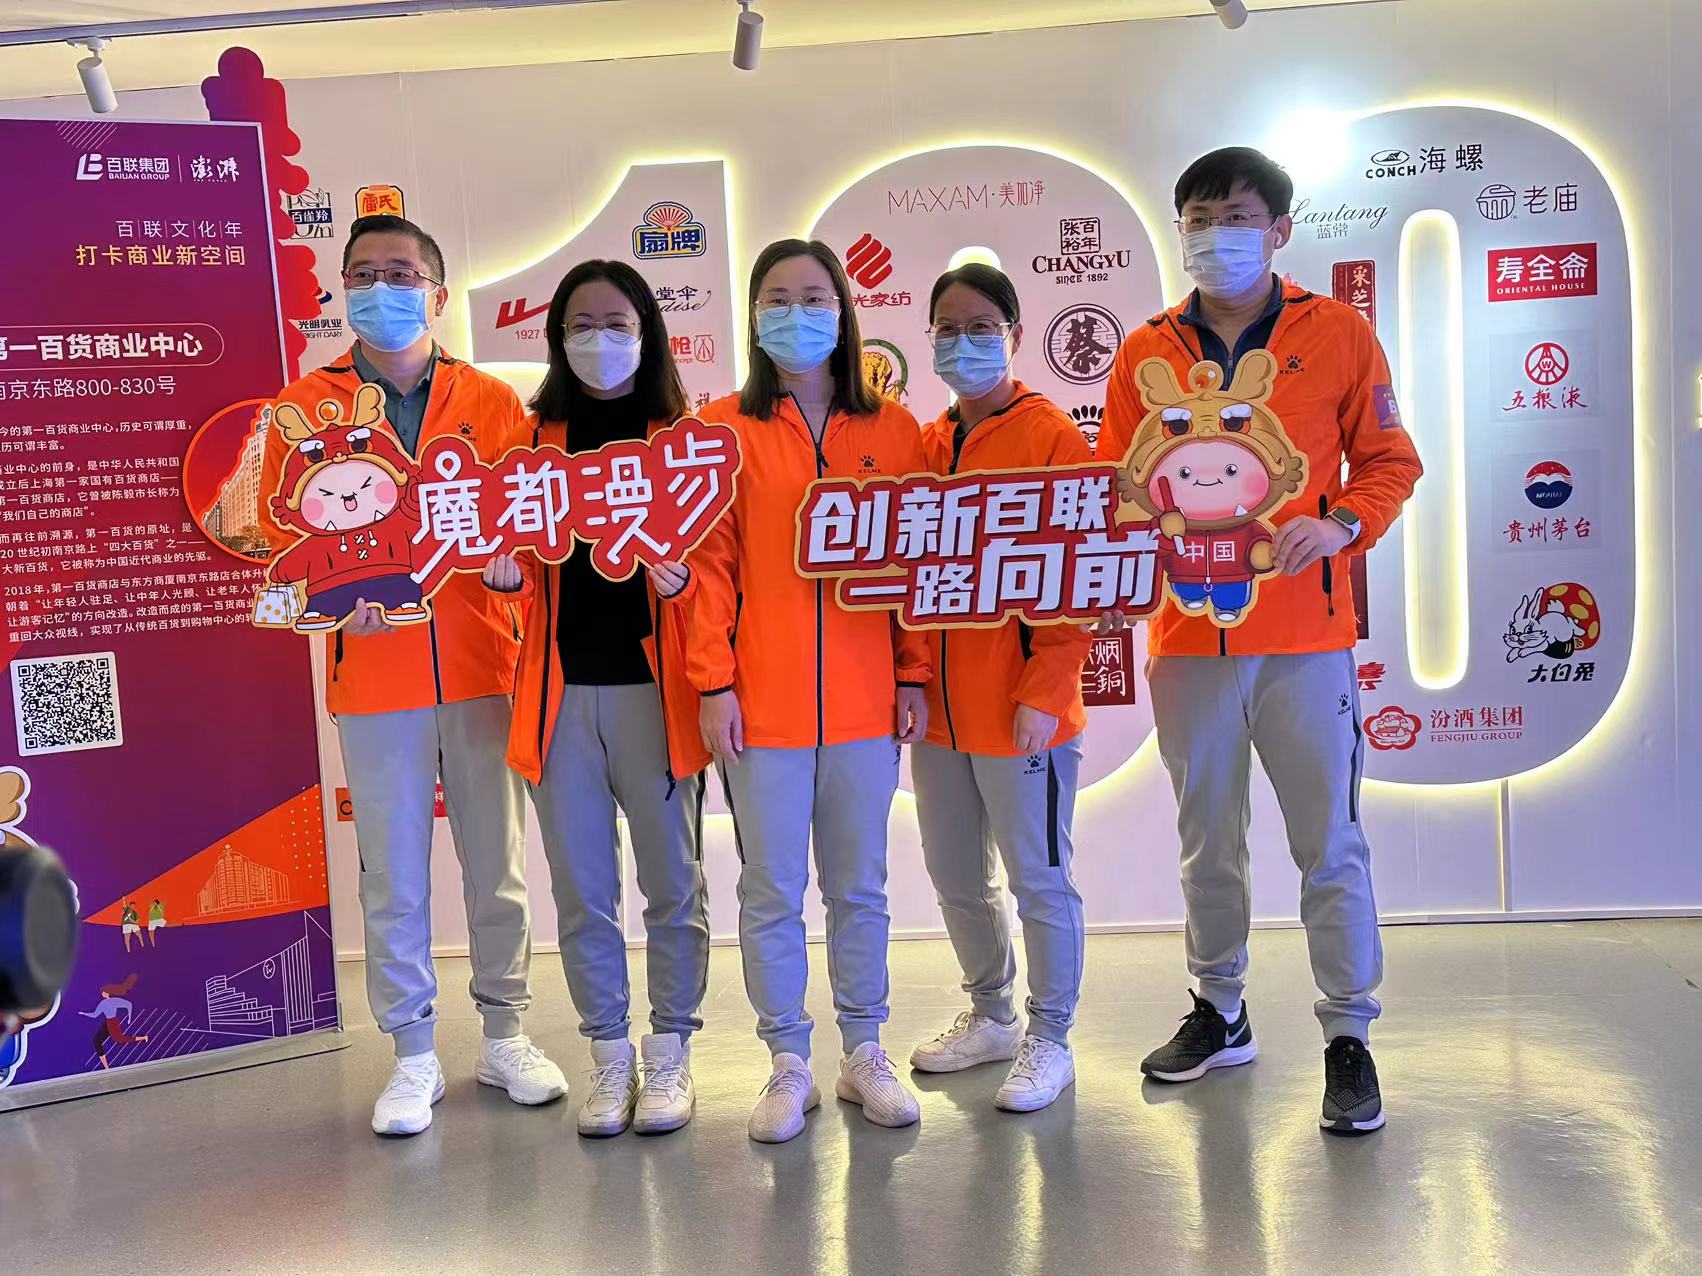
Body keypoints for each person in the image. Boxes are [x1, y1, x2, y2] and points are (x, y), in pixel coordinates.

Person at [1097, 147, 1422, 1134]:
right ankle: (1220, 1008)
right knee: (1207, 842)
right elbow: (1118, 487)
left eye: (1235, 217)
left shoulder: (1338, 333)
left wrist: (1342, 524)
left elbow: (1389, 460)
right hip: (1186, 639)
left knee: (1330, 843)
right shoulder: (1144, 351)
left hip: (1305, 640)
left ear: (1279, 230)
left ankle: (1348, 1032)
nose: (1215, 236)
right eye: (1198, 219)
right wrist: (1112, 570)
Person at [260, 213, 566, 1137]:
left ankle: (506, 1034)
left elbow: (532, 529)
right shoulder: (304, 406)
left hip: (481, 667)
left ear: (436, 294)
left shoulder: (492, 401)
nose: (380, 289)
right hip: (374, 674)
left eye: (400, 273)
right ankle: (413, 1054)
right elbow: (280, 537)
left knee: (497, 868)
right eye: (363, 273)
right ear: (342, 289)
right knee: (392, 875)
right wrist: (325, 602)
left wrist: (512, 578)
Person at [686, 239, 932, 1144]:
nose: (798, 313)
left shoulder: (894, 429)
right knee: (771, 890)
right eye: (778, 298)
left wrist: (911, 671)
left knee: (860, 887)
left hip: (866, 704)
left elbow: (914, 563)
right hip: (764, 705)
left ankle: (865, 1050)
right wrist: (714, 683)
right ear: (754, 315)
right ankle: (788, 1060)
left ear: (844, 310)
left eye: (815, 296)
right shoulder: (721, 428)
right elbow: (708, 569)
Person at [484, 260, 709, 1139]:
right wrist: (504, 578)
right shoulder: (530, 442)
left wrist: (687, 581)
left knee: (673, 887)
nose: (598, 339)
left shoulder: (684, 439)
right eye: (580, 324)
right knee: (582, 892)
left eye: (616, 323)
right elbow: (505, 558)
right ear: (557, 337)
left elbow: (722, 570)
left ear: (647, 332)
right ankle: (609, 1057)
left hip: (657, 695)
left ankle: (671, 1053)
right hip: (560, 697)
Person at [904, 265, 1093, 1114]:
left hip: (1023, 711)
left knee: (1040, 878)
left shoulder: (1052, 437)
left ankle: (1051, 1037)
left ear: (1015, 334)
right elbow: (905, 578)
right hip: (939, 717)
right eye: (947, 329)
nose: (963, 343)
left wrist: (1046, 689)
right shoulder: (924, 442)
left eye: (981, 326)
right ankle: (992, 1015)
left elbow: (1080, 576)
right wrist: (911, 680)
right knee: (956, 877)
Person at [79, 975, 149, 1069]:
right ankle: (106, 1067)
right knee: (96, 1041)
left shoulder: (114, 1001)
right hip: (107, 1023)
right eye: (102, 993)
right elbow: (95, 1015)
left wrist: (129, 1017)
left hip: (113, 1023)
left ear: (107, 993)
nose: (102, 994)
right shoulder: (102, 1003)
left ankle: (143, 1037)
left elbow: (129, 1004)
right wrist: (84, 1013)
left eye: (103, 993)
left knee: (119, 1040)